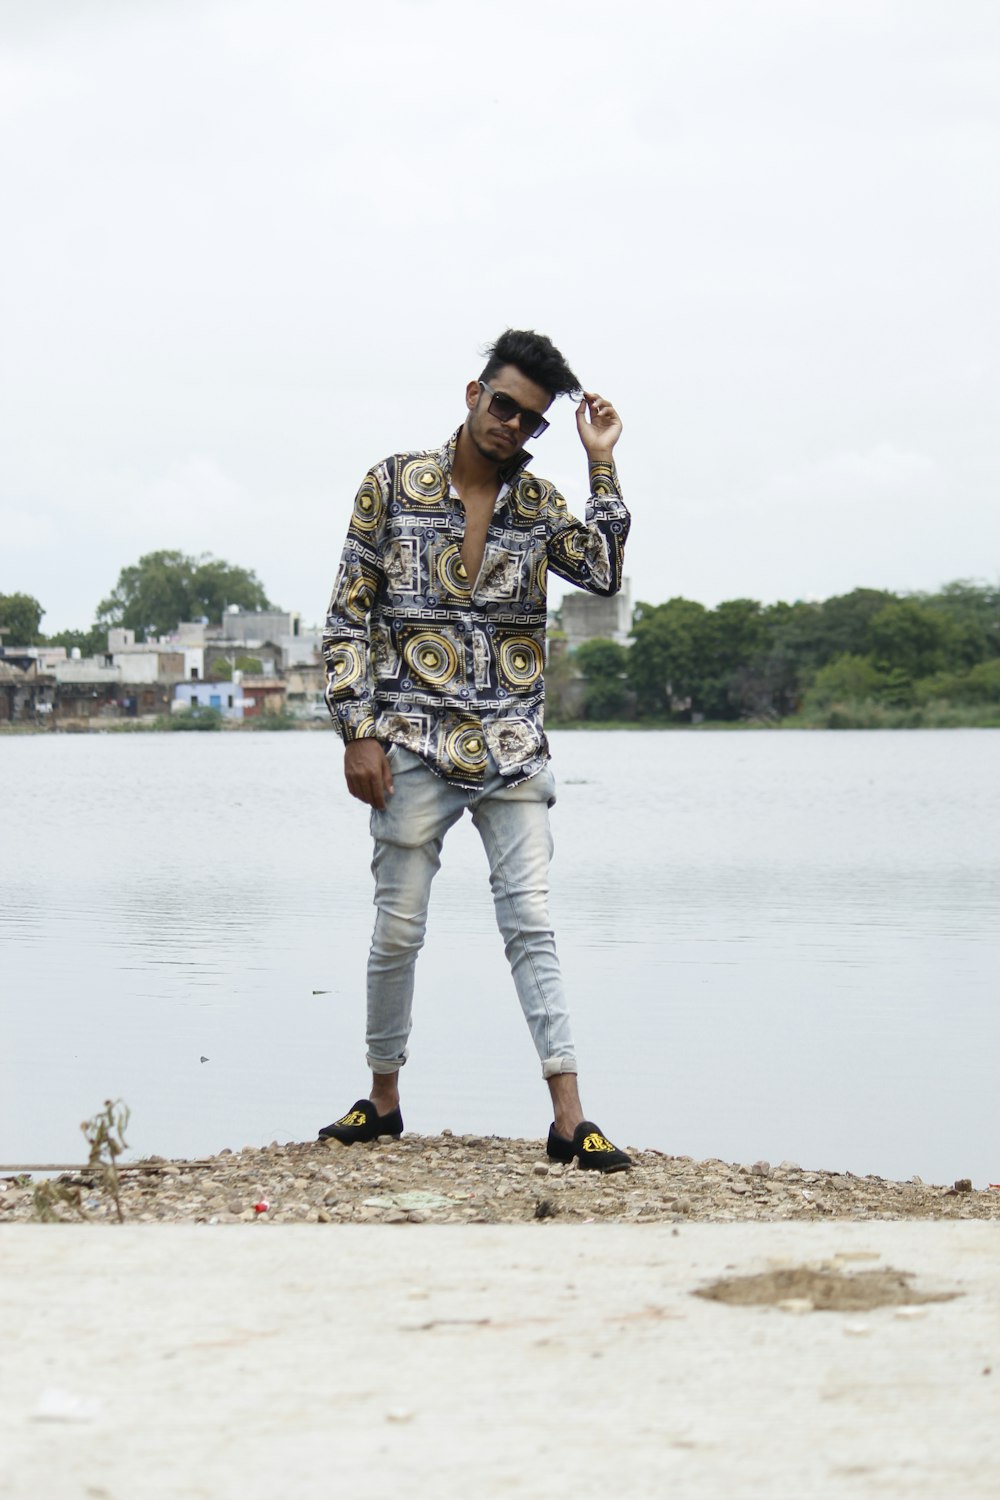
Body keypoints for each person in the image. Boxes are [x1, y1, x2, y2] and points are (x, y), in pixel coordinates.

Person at [319, 329, 632, 1172]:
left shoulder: (539, 505)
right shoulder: (391, 484)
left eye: (531, 421)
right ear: (473, 393)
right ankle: (382, 1102)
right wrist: (358, 731)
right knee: (397, 930)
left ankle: (570, 1117)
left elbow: (601, 572)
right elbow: (348, 617)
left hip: (512, 745)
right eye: (505, 407)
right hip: (411, 739)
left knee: (530, 919)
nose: (513, 428)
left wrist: (599, 461)